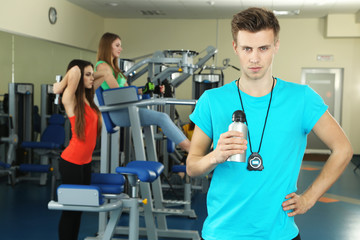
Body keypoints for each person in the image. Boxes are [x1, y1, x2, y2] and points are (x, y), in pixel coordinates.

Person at [186, 7, 353, 240]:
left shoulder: (302, 98)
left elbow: (343, 149)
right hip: (222, 232)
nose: (255, 58)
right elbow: (192, 167)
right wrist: (216, 155)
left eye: (263, 48)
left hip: (279, 233)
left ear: (276, 46)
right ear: (235, 48)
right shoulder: (212, 101)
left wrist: (309, 198)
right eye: (247, 48)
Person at [95, 32, 191, 152]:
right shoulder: (103, 67)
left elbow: (127, 90)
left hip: (127, 108)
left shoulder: (114, 69)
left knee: (162, 117)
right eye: (117, 45)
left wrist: (149, 89)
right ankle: (190, 149)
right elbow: (118, 93)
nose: (121, 49)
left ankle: (190, 148)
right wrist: (135, 91)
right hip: (119, 113)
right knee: (162, 118)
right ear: (108, 46)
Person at [53, 59, 106, 240]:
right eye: (88, 75)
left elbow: (104, 74)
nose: (92, 78)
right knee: (71, 212)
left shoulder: (88, 98)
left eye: (92, 75)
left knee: (79, 211)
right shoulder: (70, 98)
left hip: (85, 163)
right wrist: (60, 86)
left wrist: (90, 73)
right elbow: (75, 70)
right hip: (71, 162)